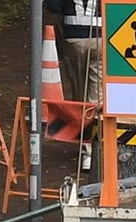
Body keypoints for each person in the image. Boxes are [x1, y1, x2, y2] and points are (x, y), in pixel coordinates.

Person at [45, 0, 101, 170]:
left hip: (74, 38)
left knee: (80, 96)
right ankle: (96, 146)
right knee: (96, 95)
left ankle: (87, 149)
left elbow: (53, 6)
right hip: (101, 37)